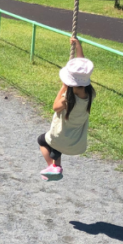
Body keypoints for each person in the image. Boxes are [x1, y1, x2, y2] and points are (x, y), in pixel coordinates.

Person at [38, 37, 94, 181]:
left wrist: (63, 87)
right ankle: (55, 167)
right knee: (57, 146)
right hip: (76, 142)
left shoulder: (67, 99)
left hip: (61, 138)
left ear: (69, 82)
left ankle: (53, 166)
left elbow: (55, 107)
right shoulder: (90, 95)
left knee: (42, 141)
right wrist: (78, 47)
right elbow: (81, 69)